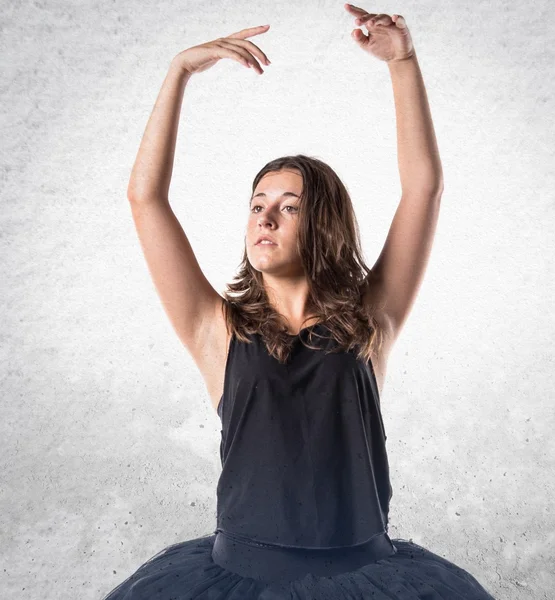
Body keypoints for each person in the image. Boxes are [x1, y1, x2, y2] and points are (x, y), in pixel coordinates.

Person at [103, 5, 495, 599]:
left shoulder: (372, 320)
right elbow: (144, 198)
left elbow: (424, 188)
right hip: (239, 577)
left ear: (323, 225)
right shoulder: (218, 329)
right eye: (257, 202)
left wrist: (403, 63)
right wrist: (179, 71)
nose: (264, 216)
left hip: (363, 573)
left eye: (288, 205)